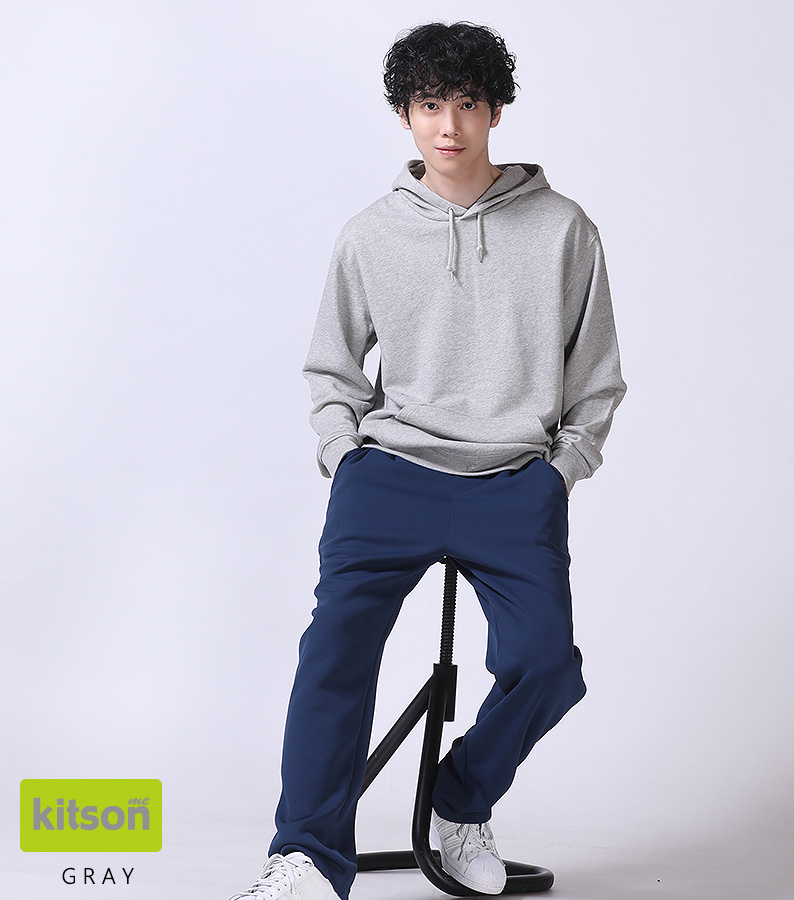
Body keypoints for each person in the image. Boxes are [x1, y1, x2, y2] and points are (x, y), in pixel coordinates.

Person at [228, 20, 626, 900]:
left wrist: (560, 471)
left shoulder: (565, 230)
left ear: (496, 112)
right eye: (430, 104)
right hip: (390, 476)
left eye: (468, 104)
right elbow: (332, 366)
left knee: (547, 665)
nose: (450, 125)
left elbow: (596, 377)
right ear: (405, 114)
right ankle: (306, 856)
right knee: (333, 650)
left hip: (514, 480)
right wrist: (344, 454)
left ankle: (460, 799)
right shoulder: (370, 234)